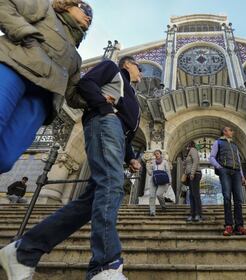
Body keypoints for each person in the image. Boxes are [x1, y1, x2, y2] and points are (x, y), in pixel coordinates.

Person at [0, 55, 143, 280]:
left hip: (116, 134)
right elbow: (86, 84)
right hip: (104, 124)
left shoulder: (133, 93)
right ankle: (104, 264)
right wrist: (103, 106)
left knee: (88, 203)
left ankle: (24, 252)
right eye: (139, 67)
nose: (141, 73)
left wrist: (130, 157)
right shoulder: (111, 69)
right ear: (127, 64)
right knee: (112, 184)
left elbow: (125, 127)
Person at [0, 0, 93, 173]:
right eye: (84, 8)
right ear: (67, 4)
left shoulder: (76, 57)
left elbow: (72, 94)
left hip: (42, 99)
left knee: (5, 158)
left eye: (91, 16)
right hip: (14, 69)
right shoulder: (46, 10)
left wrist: (99, 100)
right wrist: (26, 35)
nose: (89, 16)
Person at [210, 127, 246, 236]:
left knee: (238, 199)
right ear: (224, 131)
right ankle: (228, 225)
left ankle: (239, 226)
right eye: (230, 130)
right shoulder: (218, 142)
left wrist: (242, 176)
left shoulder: (234, 145)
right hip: (225, 171)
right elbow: (212, 157)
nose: (232, 132)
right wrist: (219, 167)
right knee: (227, 197)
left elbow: (238, 160)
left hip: (236, 172)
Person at [183, 141, 202, 222]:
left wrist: (192, 173)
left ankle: (198, 214)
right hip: (190, 175)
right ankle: (193, 214)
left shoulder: (193, 150)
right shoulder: (188, 153)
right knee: (191, 195)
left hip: (195, 174)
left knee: (195, 194)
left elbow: (195, 161)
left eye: (187, 146)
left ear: (190, 145)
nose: (186, 147)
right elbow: (187, 164)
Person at [147, 150, 171, 216]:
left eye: (157, 153)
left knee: (159, 194)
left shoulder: (165, 162)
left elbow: (168, 171)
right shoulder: (152, 162)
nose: (156, 155)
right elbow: (149, 173)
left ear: (160, 154)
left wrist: (169, 180)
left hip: (162, 179)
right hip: (153, 179)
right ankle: (152, 211)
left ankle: (163, 206)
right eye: (155, 154)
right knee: (152, 196)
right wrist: (148, 166)